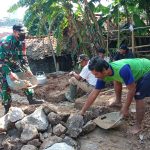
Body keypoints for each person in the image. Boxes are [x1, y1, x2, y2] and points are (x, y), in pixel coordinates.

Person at [80, 56, 150, 134]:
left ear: (103, 70)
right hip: (138, 69)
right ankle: (118, 101)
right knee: (116, 80)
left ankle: (137, 126)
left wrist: (125, 108)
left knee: (138, 95)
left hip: (147, 69)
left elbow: (132, 90)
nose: (96, 77)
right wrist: (82, 111)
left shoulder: (122, 70)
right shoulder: (106, 73)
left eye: (96, 74)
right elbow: (95, 92)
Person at [0, 24, 43, 114]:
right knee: (5, 88)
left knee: (26, 79)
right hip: (3, 67)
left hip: (15, 65)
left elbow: (23, 57)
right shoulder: (4, 42)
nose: (24, 35)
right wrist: (9, 73)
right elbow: (1, 60)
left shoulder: (22, 42)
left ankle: (31, 99)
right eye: (22, 33)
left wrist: (27, 69)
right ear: (15, 32)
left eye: (25, 33)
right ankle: (7, 108)